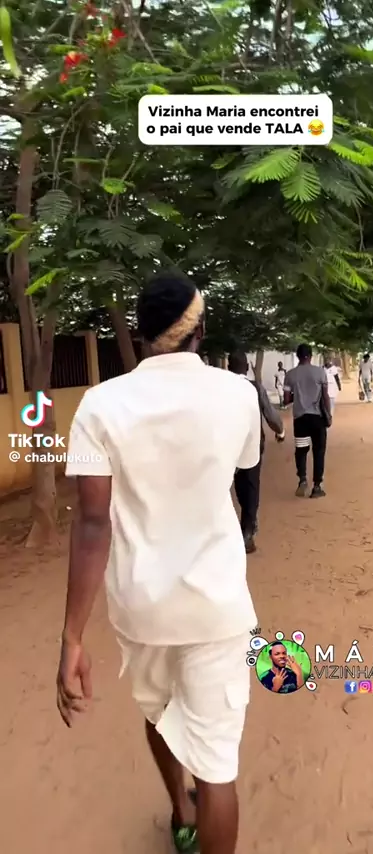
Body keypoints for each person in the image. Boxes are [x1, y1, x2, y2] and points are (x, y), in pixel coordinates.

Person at [56, 271, 262, 854]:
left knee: (159, 713)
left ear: (141, 332)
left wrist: (71, 638)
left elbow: (92, 523)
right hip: (216, 606)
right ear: (202, 329)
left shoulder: (100, 404)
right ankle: (196, 804)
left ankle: (181, 811)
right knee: (217, 768)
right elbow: (244, 466)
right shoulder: (238, 394)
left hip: (141, 607)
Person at [228, 350, 285, 554]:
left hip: (228, 444)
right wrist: (280, 430)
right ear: (246, 367)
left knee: (233, 485)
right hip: (252, 444)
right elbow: (269, 413)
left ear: (228, 367)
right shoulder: (254, 387)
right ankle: (248, 530)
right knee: (251, 485)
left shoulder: (221, 387)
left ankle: (242, 526)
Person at [284, 344, 331, 498]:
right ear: (310, 356)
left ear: (297, 356)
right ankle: (317, 486)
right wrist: (329, 415)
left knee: (301, 451)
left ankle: (302, 480)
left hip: (300, 420)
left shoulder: (290, 375)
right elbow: (325, 396)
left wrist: (298, 395)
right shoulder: (320, 372)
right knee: (319, 451)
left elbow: (286, 399)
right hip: (318, 419)